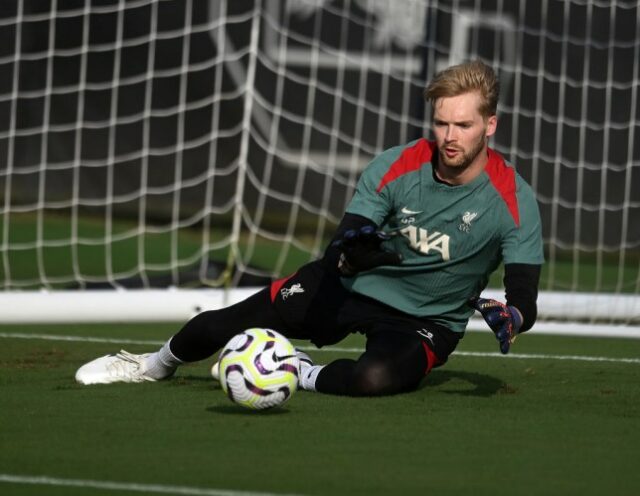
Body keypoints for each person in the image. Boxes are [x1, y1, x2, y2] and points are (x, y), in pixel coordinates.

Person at [76, 60, 544, 396]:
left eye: (463, 125)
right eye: (441, 123)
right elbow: (346, 237)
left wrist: (513, 317)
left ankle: (296, 370)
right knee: (225, 323)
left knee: (372, 381)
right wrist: (349, 254)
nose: (449, 137)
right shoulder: (398, 165)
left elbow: (523, 297)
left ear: (490, 125)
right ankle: (151, 365)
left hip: (426, 321)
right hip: (353, 285)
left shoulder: (514, 200)